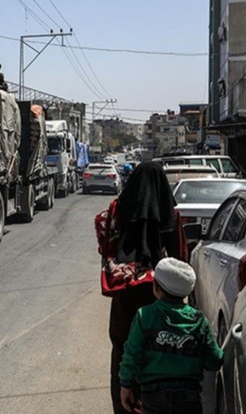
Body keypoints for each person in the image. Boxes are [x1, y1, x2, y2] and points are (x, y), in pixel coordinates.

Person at [96, 161, 189, 414]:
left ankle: (124, 407)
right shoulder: (170, 213)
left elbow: (106, 249)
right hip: (161, 296)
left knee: (123, 351)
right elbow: (180, 259)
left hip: (126, 298)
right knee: (159, 354)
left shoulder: (118, 209)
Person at [119, 257, 223, 413]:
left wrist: (125, 384)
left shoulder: (144, 316)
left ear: (156, 287)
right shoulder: (199, 321)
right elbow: (213, 362)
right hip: (189, 399)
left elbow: (132, 355)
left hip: (153, 397)